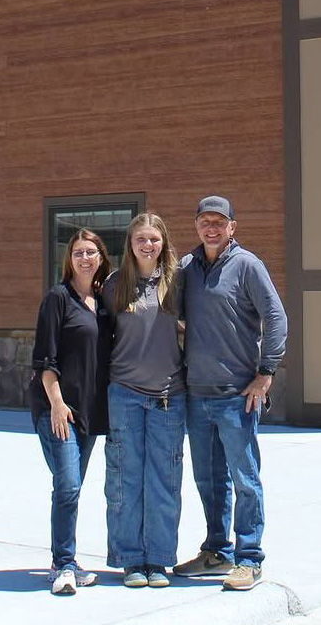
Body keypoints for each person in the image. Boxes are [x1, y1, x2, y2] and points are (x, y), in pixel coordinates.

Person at [173, 195, 287, 591]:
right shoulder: (187, 267)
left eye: (219, 222)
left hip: (237, 397)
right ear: (196, 225)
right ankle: (216, 552)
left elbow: (276, 317)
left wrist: (266, 372)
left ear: (232, 227)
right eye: (205, 221)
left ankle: (249, 558)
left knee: (244, 479)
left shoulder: (247, 265)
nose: (212, 228)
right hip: (196, 394)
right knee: (209, 480)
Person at [101, 213, 187, 589]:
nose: (147, 245)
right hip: (125, 395)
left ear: (163, 243)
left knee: (165, 482)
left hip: (169, 397)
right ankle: (131, 560)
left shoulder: (178, 284)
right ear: (130, 244)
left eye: (154, 239)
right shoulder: (115, 285)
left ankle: (159, 561)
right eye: (141, 239)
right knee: (124, 480)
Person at [29, 229, 113, 596]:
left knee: (71, 489)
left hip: (90, 413)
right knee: (67, 485)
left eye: (90, 252)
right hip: (59, 410)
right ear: (69, 259)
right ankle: (62, 565)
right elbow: (44, 361)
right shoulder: (57, 299)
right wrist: (57, 404)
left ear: (100, 258)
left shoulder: (102, 301)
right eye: (78, 252)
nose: (84, 258)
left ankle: (66, 560)